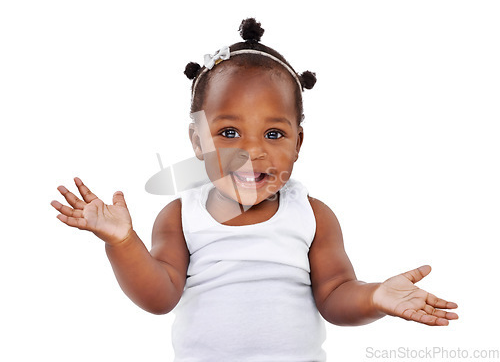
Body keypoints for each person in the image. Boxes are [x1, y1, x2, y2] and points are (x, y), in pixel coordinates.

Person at [50, 18, 458, 361]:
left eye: (274, 133)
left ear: (298, 143)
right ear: (197, 142)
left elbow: (335, 296)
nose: (252, 152)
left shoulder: (313, 215)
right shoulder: (179, 216)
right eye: (229, 132)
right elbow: (159, 297)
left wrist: (374, 297)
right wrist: (122, 242)